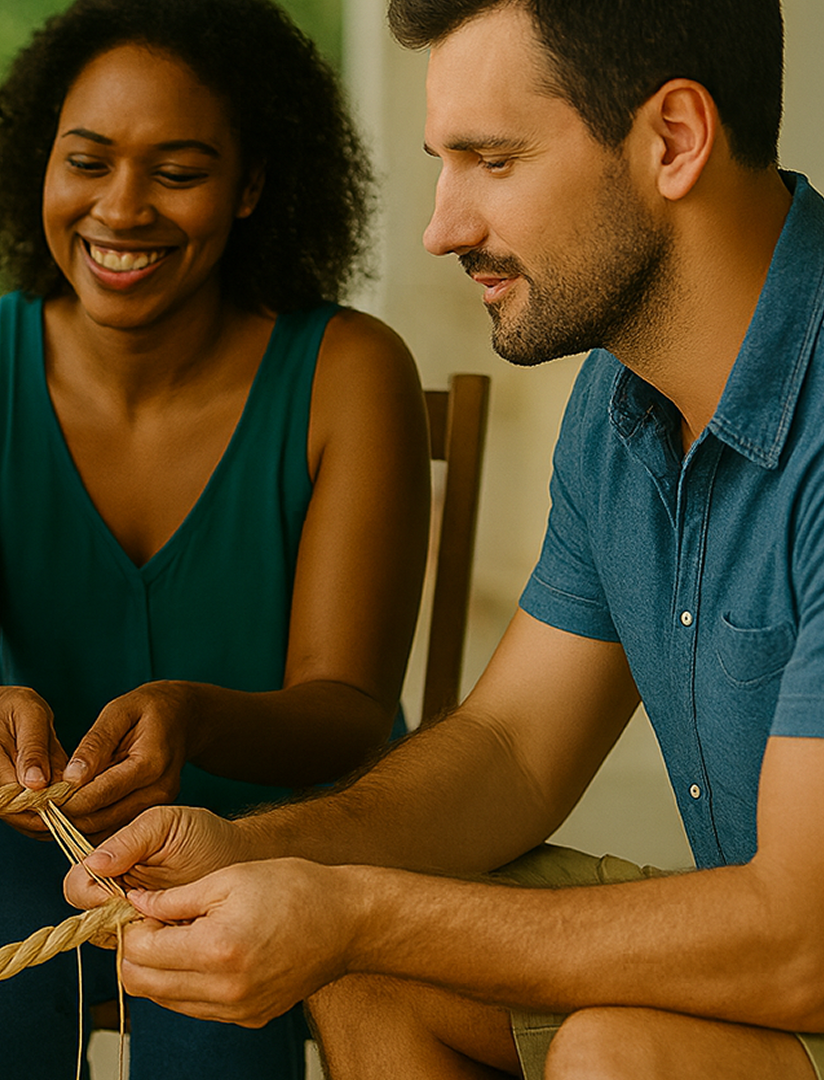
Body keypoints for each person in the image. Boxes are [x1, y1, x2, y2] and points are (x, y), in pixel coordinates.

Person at [64, 1, 824, 1077]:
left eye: (493, 161)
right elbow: (513, 751)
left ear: (675, 139)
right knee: (369, 969)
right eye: (443, 163)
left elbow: (803, 941)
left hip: (806, 945)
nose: (442, 227)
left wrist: (353, 910)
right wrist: (261, 850)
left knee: (617, 1055)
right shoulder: (619, 403)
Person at [0, 0, 431, 1075]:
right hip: (25, 830)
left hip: (275, 825)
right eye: (86, 161)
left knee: (215, 1004)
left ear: (250, 187)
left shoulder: (349, 374)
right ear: (37, 167)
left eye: (177, 170)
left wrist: (194, 720)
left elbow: (347, 718)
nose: (120, 208)